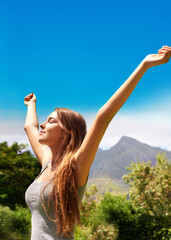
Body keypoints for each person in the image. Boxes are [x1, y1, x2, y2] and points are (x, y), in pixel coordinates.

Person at [24, 45, 171, 239]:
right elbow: (30, 128)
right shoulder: (47, 162)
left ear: (67, 132)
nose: (43, 124)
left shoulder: (75, 165)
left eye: (51, 121)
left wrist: (144, 65)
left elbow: (104, 116)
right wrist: (32, 104)